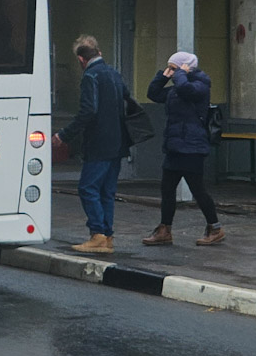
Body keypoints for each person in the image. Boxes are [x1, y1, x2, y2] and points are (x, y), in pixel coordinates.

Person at [51, 35, 130, 254]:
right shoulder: (114, 73)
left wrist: (64, 135)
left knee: (87, 188)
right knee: (107, 191)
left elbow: (88, 111)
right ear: (99, 53)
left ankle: (97, 235)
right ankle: (107, 237)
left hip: (99, 142)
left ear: (80, 59)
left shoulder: (90, 76)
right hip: (118, 142)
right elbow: (126, 97)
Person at [142, 51, 225, 246]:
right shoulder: (175, 89)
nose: (171, 71)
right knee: (167, 188)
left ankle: (215, 227)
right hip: (175, 146)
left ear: (185, 68)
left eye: (173, 67)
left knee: (197, 188)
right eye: (169, 67)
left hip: (192, 146)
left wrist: (180, 74)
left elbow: (188, 91)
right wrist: (163, 76)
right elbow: (153, 94)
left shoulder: (200, 84)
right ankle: (165, 229)